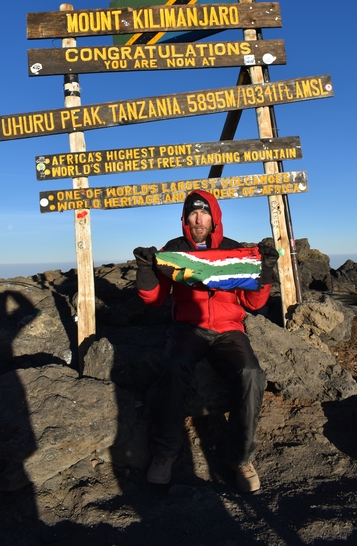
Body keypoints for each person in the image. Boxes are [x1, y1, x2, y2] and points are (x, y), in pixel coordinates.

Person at [133, 189, 279, 492]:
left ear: (215, 217)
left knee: (251, 374)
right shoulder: (174, 250)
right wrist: (147, 270)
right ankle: (164, 453)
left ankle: (241, 459)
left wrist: (264, 270)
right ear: (185, 219)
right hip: (189, 328)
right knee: (173, 368)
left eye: (204, 213)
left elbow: (252, 304)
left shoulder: (234, 250)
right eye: (192, 213)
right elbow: (154, 300)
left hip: (229, 329)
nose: (198, 218)